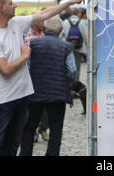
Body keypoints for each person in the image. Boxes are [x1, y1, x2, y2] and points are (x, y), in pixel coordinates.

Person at [0, 0, 85, 156]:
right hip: (1, 102)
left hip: (22, 98)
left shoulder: (15, 23)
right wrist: (24, 56)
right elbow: (5, 69)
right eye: (10, 3)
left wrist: (70, 2)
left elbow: (46, 13)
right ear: (1, 8)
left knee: (13, 144)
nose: (15, 5)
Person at [19, 16, 75, 156]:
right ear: (61, 30)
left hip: (35, 92)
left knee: (30, 126)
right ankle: (52, 154)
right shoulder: (67, 47)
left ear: (45, 27)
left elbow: (27, 66)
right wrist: (64, 82)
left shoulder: (33, 44)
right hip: (58, 94)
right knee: (56, 128)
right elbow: (72, 70)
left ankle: (25, 153)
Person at [23, 11, 49, 142]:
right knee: (32, 106)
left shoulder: (44, 35)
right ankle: (33, 133)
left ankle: (43, 128)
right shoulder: (26, 36)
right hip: (31, 75)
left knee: (45, 106)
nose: (44, 24)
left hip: (44, 76)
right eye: (42, 21)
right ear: (35, 22)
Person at [60, 8, 87, 82]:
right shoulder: (82, 22)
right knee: (77, 68)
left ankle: (68, 83)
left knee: (67, 66)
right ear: (78, 13)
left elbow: (62, 35)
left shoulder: (65, 22)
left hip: (67, 48)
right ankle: (75, 85)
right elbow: (85, 36)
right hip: (79, 48)